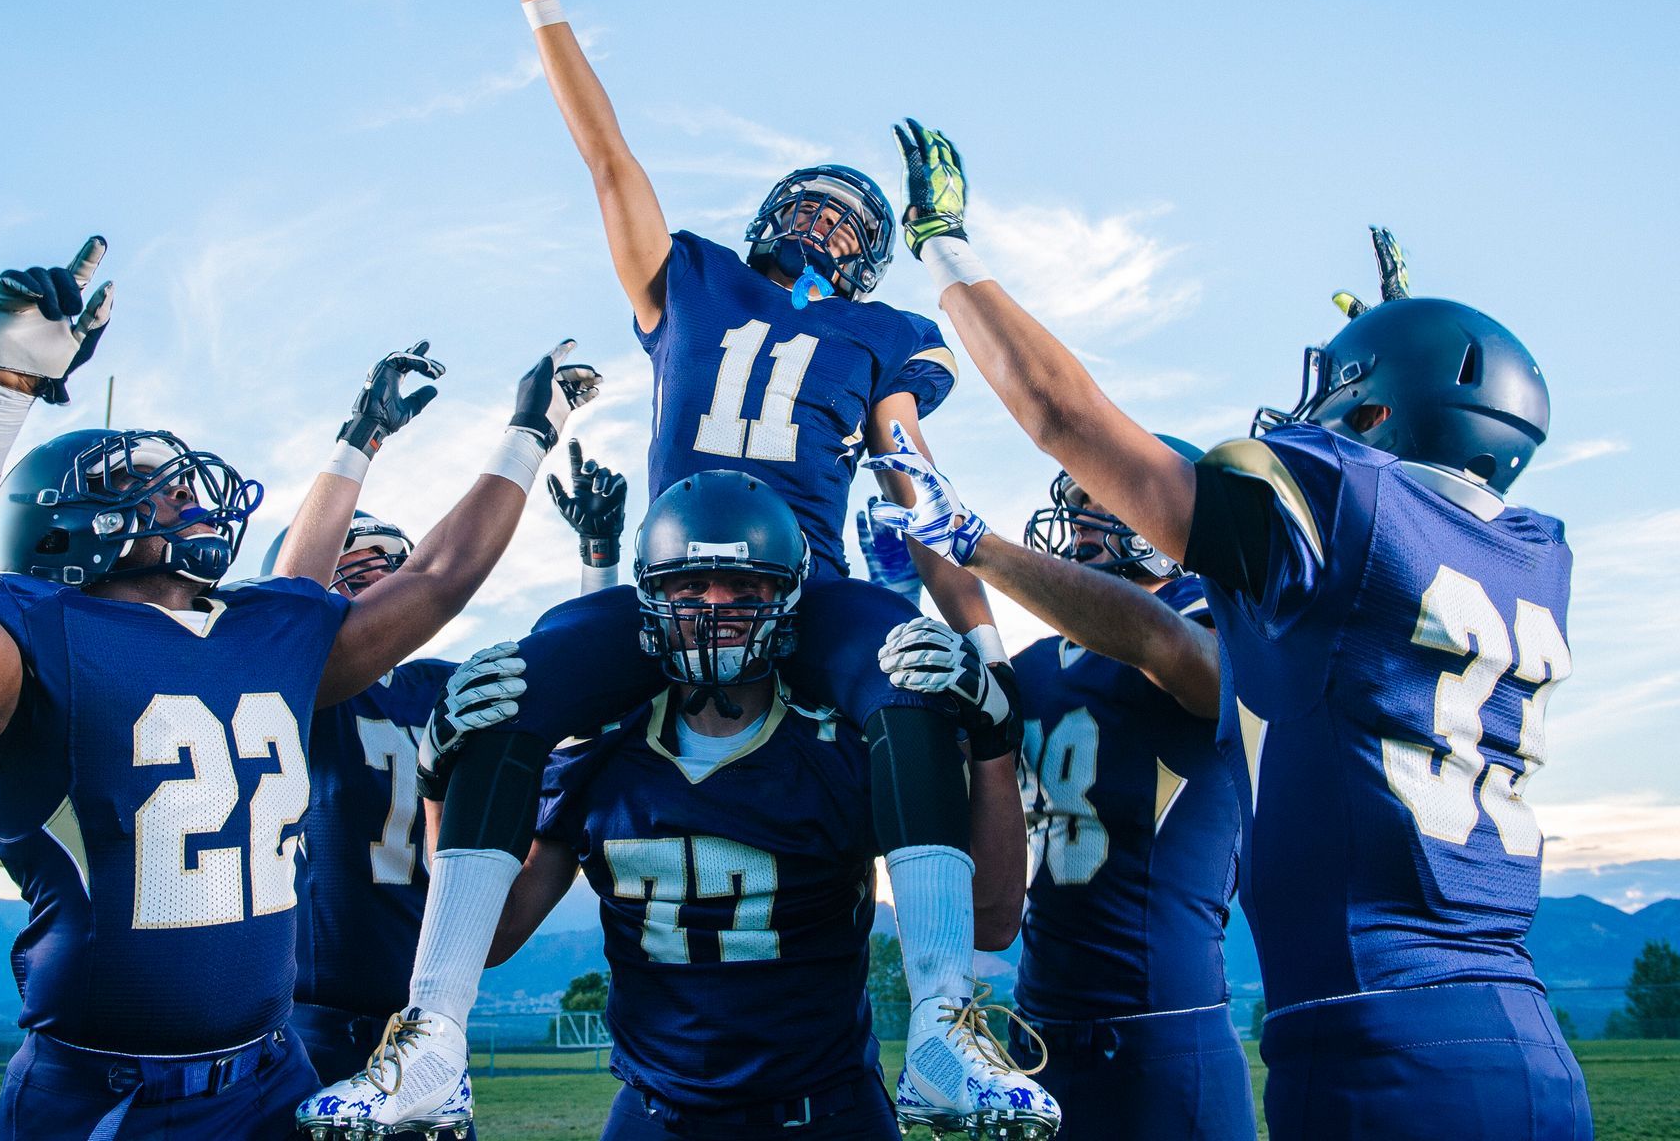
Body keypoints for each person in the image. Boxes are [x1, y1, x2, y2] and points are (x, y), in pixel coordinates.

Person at [297, 0, 1034, 1134]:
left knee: (912, 680)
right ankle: (428, 1038)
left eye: (854, 223)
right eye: (811, 207)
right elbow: (606, 159)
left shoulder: (881, 334)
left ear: (873, 262)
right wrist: (544, 12)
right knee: (495, 692)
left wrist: (981, 646)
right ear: (762, 218)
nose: (828, 226)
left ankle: (948, 1023)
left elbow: (916, 480)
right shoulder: (686, 277)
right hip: (670, 579)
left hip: (810, 583)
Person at [874, 133, 1593, 1141]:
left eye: (1340, 394)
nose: (1313, 418)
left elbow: (1061, 414)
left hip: (1373, 1046)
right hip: (1513, 1028)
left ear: (1377, 413)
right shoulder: (1532, 549)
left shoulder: (1311, 539)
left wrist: (945, 247)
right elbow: (1429, 485)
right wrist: (1411, 341)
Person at [0, 239, 599, 1140]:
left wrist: (525, 437)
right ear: (64, 527)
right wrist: (0, 390)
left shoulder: (259, 636)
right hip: (112, 1092)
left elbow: (440, 576)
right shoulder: (38, 636)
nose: (183, 489)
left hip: (272, 1068)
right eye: (143, 481)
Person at [504, 472, 1059, 1140]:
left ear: (787, 595)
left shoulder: (843, 747)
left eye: (746, 587)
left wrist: (993, 744)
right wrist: (436, 784)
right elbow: (498, 933)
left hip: (825, 1113)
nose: (717, 607)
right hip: (655, 1114)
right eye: (691, 587)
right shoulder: (601, 752)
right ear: (651, 597)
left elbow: (993, 922)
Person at [869, 455, 1256, 1140]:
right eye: (1073, 500)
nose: (1076, 519)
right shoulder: (1043, 664)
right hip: (1039, 1040)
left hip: (1164, 1038)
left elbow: (1170, 651)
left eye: (1100, 496)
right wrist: (898, 603)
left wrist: (971, 543)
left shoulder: (1206, 621)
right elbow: (972, 868)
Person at [270, 406, 630, 1085]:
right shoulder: (297, 694)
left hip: (429, 1019)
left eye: (394, 562)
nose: (385, 574)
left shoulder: (444, 685)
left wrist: (597, 569)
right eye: (360, 558)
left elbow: (579, 711)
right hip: (310, 1023)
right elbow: (285, 610)